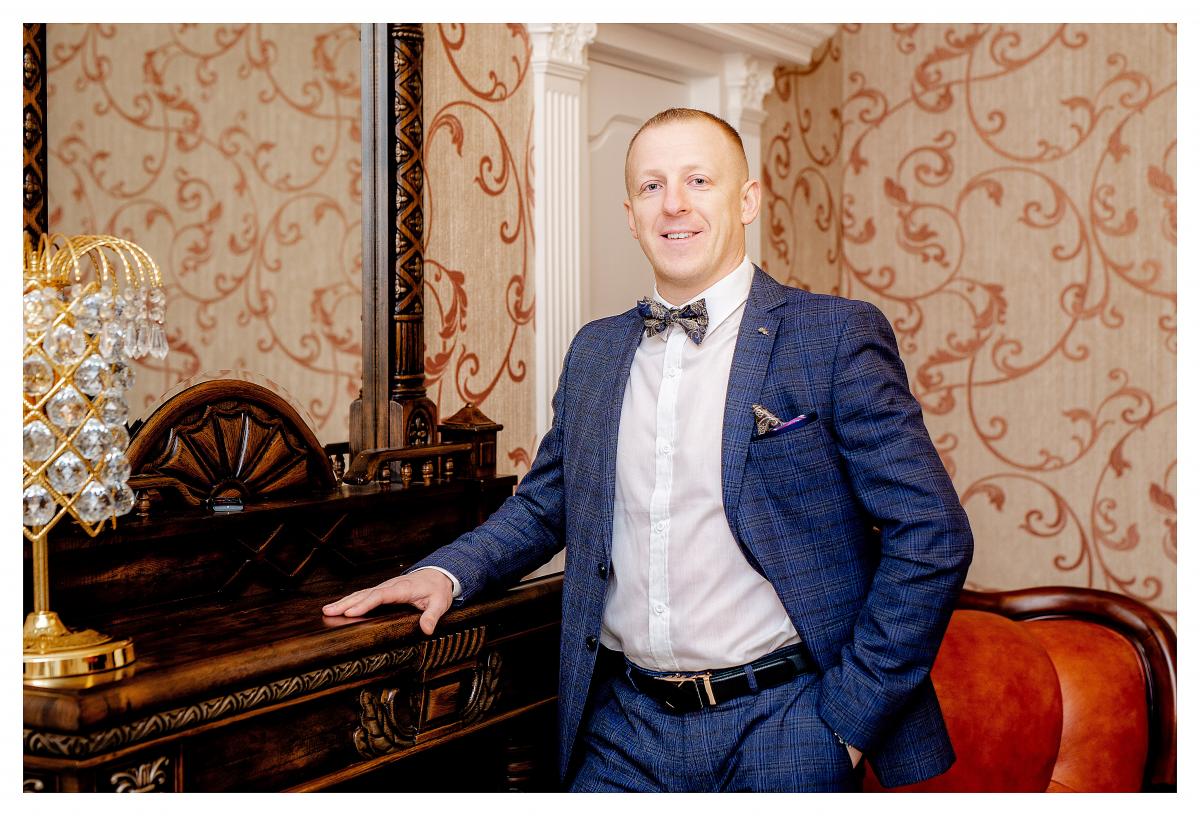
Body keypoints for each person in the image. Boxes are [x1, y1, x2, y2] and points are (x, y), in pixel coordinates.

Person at [323, 107, 973, 792]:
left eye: (699, 180)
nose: (675, 205)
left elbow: (932, 534)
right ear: (631, 215)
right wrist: (447, 572)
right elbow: (546, 505)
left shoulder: (832, 336)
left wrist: (844, 727)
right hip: (625, 729)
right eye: (653, 186)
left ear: (747, 201)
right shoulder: (596, 352)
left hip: (786, 723)